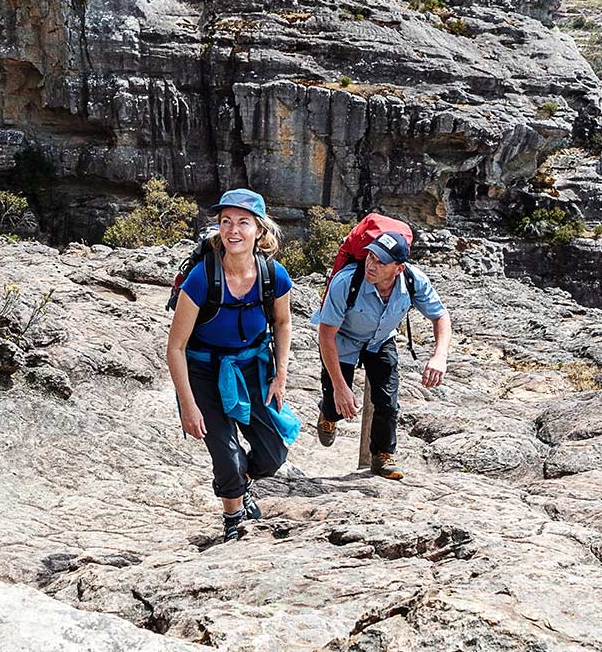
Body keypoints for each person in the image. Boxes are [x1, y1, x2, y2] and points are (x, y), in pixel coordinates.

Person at [164, 188, 299, 542]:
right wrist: (188, 406)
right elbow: (175, 347)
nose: (233, 230)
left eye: (243, 222)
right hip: (202, 371)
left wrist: (280, 374)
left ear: (260, 230)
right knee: (226, 455)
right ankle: (234, 517)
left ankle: (240, 482)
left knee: (272, 455)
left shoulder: (274, 275)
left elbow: (283, 324)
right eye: (226, 222)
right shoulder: (202, 278)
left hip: (251, 367)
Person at [312, 230, 452, 480]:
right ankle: (327, 414)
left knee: (387, 402)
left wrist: (439, 356)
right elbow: (326, 335)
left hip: (381, 339)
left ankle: (382, 456)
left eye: (380, 262)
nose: (371, 265)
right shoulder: (346, 281)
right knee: (337, 403)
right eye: (370, 258)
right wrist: (340, 387)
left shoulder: (413, 280)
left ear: (398, 268)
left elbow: (440, 316)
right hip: (343, 339)